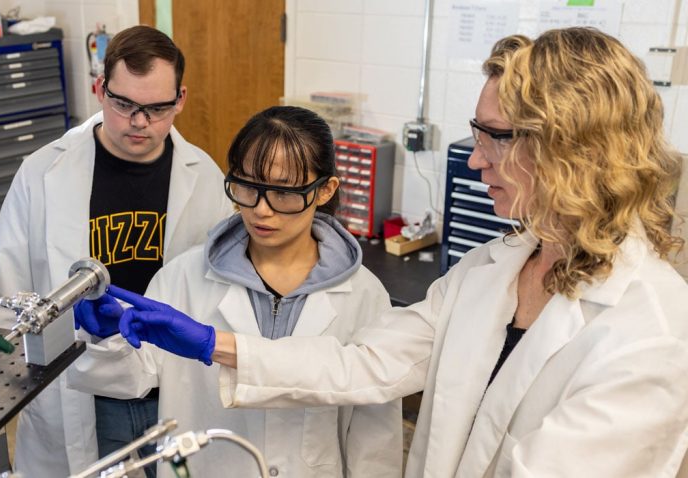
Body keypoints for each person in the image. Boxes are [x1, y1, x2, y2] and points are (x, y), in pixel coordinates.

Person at [103, 28, 688, 477]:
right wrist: (211, 343)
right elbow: (363, 364)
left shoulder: (650, 329)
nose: (476, 159)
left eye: (494, 137)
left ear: (571, 147)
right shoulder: (493, 270)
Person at [68, 106, 402, 477]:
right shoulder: (184, 277)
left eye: (283, 192)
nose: (261, 210)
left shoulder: (363, 295)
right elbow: (133, 379)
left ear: (325, 190)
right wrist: (108, 339)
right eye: (247, 186)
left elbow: (375, 438)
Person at [0, 25, 230, 477]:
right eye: (124, 105)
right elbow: (8, 287)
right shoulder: (43, 172)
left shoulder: (206, 178)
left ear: (180, 99)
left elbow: (220, 288)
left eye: (157, 108)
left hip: (170, 386)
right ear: (100, 89)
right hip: (82, 388)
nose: (140, 122)